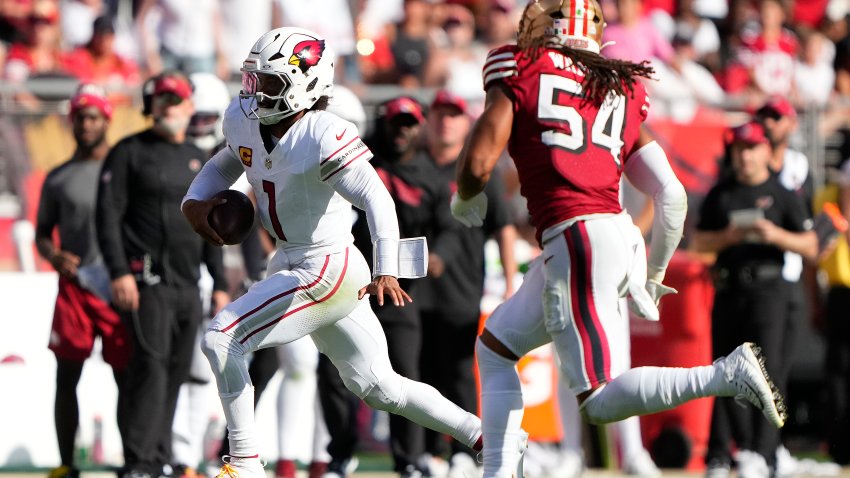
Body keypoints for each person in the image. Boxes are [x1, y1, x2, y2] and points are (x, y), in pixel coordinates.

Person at [448, 2, 787, 477]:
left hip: (577, 236)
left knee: (599, 401)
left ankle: (725, 374)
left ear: (555, 27)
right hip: (613, 234)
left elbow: (479, 163)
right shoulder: (619, 85)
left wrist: (465, 199)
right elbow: (671, 195)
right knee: (496, 346)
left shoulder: (521, 66)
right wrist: (654, 273)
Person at [180, 27, 484, 478]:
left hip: (326, 266)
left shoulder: (322, 132)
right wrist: (194, 202)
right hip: (292, 261)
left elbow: (376, 198)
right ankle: (484, 436)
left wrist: (387, 268)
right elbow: (227, 160)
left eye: (269, 83)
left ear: (305, 84)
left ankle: (244, 465)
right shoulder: (245, 120)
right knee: (382, 388)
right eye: (253, 80)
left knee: (222, 338)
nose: (255, 92)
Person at [95, 70, 231, 478]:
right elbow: (107, 216)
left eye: (177, 101)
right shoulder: (130, 152)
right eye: (163, 101)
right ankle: (139, 461)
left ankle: (159, 458)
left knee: (174, 372)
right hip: (147, 281)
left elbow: (212, 224)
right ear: (150, 106)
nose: (171, 108)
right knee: (149, 370)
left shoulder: (198, 158)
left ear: (189, 106)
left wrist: (220, 282)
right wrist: (119, 272)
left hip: (188, 285)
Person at [693, 121, 816, 478]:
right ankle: (722, 453)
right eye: (738, 150)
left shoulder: (781, 192)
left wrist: (774, 234)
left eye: (750, 149)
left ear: (765, 150)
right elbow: (699, 243)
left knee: (768, 373)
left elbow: (810, 245)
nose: (744, 157)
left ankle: (763, 453)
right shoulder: (722, 194)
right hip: (729, 289)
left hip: (769, 291)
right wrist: (728, 237)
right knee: (722, 370)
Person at [351, 95, 464, 478]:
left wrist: (439, 256)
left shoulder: (430, 175)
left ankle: (409, 460)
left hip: (400, 293)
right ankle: (338, 456)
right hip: (350, 286)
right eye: (395, 123)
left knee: (404, 375)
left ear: (419, 127)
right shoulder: (359, 164)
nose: (401, 131)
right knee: (336, 374)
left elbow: (448, 225)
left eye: (409, 124)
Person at [419, 89, 516, 478]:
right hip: (413, 290)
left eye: (454, 115)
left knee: (458, 372)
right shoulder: (414, 165)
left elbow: (505, 227)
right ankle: (426, 452)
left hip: (461, 289)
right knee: (417, 373)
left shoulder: (476, 169)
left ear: (466, 123)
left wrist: (510, 283)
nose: (446, 121)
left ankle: (462, 450)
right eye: (440, 114)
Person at [36, 85, 130, 478]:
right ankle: (65, 464)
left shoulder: (122, 170)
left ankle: (134, 461)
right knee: (66, 376)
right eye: (80, 117)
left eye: (93, 117)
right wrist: (54, 255)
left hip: (116, 288)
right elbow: (42, 232)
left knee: (127, 377)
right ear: (71, 122)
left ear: (107, 120)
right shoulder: (58, 178)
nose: (86, 124)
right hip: (75, 289)